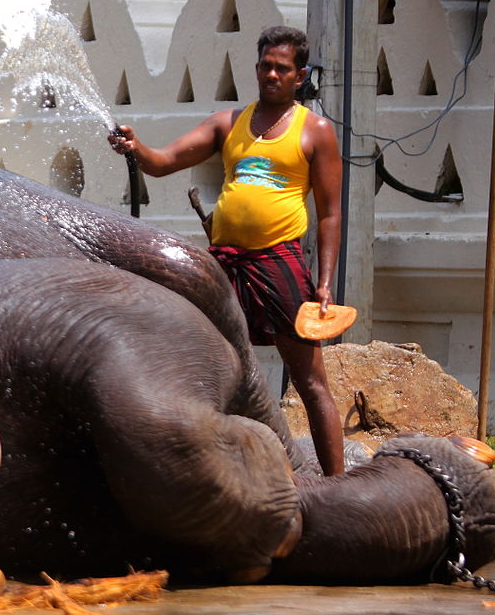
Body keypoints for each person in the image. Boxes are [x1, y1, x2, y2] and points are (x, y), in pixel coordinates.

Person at [109, 25, 345, 476]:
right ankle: (214, 473)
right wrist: (135, 146)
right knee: (209, 367)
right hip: (224, 265)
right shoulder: (229, 123)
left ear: (300, 76)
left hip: (279, 262)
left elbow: (330, 213)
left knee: (310, 380)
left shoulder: (315, 132)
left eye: (282, 68)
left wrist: (326, 283)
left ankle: (340, 488)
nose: (272, 74)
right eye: (265, 66)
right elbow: (162, 164)